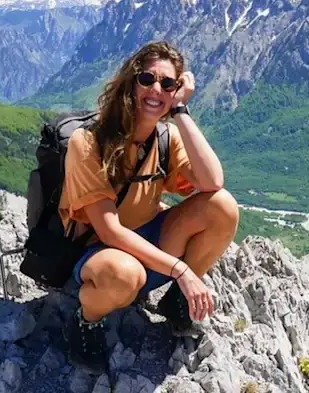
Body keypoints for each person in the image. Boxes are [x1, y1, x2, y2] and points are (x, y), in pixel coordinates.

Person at [57, 40, 240, 373]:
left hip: (150, 244)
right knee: (125, 275)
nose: (157, 89)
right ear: (131, 81)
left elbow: (213, 182)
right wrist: (180, 269)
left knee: (222, 207)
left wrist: (181, 111)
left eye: (168, 84)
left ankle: (176, 302)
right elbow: (110, 231)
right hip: (101, 254)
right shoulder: (89, 143)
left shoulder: (166, 139)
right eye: (147, 79)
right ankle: (87, 319)